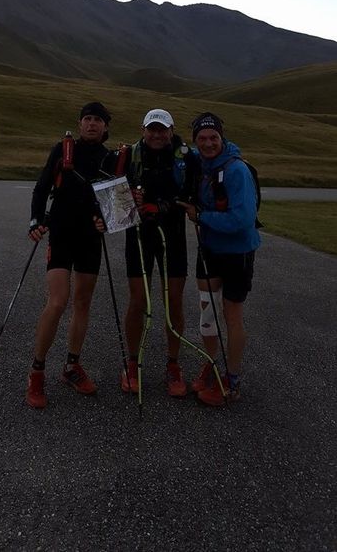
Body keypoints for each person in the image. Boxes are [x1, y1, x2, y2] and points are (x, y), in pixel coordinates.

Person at [102, 108, 194, 397]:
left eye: (162, 129)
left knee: (174, 301)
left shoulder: (184, 158)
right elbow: (112, 195)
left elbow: (189, 194)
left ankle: (173, 364)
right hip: (139, 236)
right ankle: (131, 362)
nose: (157, 134)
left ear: (170, 130)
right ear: (143, 129)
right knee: (138, 300)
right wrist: (130, 196)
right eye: (152, 129)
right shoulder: (128, 156)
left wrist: (161, 206)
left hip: (174, 237)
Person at [25, 101, 111, 408]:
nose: (91, 124)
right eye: (87, 119)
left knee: (83, 302)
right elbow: (41, 187)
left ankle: (72, 367)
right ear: (79, 123)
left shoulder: (110, 158)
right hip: (61, 232)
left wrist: (106, 221)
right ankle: (37, 371)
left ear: (105, 127)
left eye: (97, 120)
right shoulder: (62, 150)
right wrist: (36, 219)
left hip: (90, 238)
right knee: (58, 301)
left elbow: (114, 203)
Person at [179, 111, 261, 406]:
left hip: (238, 252)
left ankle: (233, 379)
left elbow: (243, 219)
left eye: (213, 137)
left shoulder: (237, 169)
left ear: (221, 137)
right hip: (209, 249)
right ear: (195, 141)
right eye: (202, 138)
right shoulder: (201, 166)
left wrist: (202, 216)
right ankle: (210, 365)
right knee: (207, 312)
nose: (208, 143)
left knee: (231, 316)